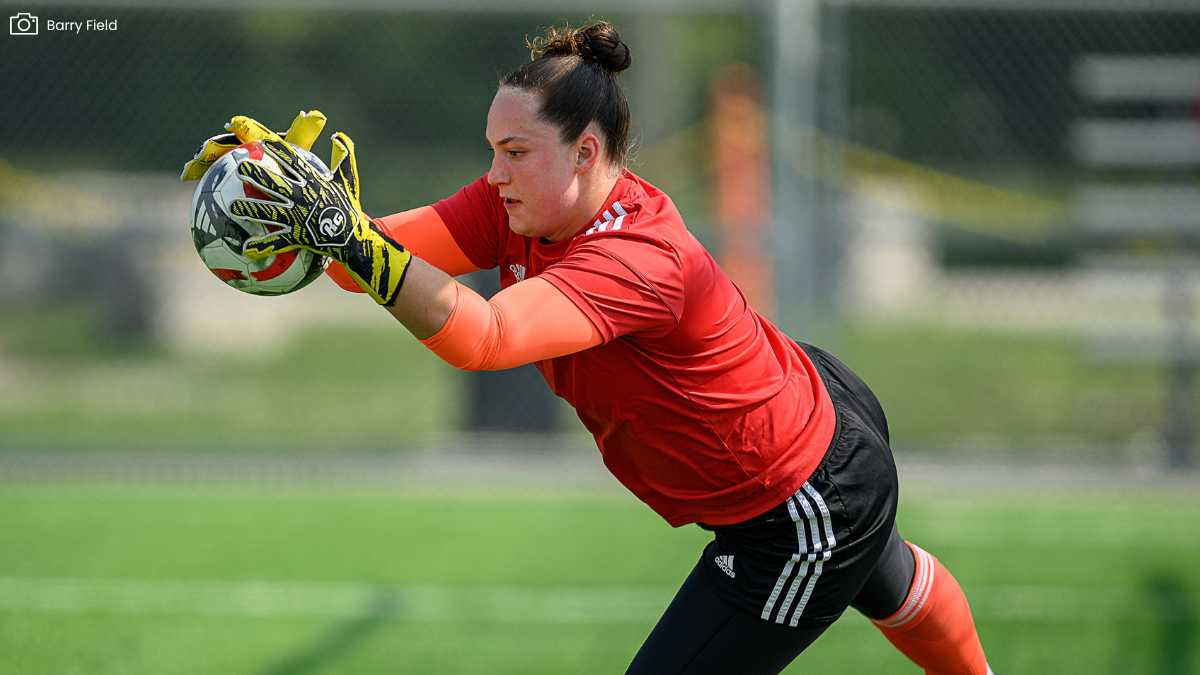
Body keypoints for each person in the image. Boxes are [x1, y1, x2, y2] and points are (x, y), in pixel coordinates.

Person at [181, 20, 993, 675]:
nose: (495, 172)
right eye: (493, 149)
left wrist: (350, 240)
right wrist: (305, 209)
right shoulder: (515, 201)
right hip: (804, 407)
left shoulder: (639, 255)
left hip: (795, 498)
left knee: (874, 576)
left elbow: (486, 336)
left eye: (515, 152)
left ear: (587, 153)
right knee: (894, 584)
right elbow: (364, 268)